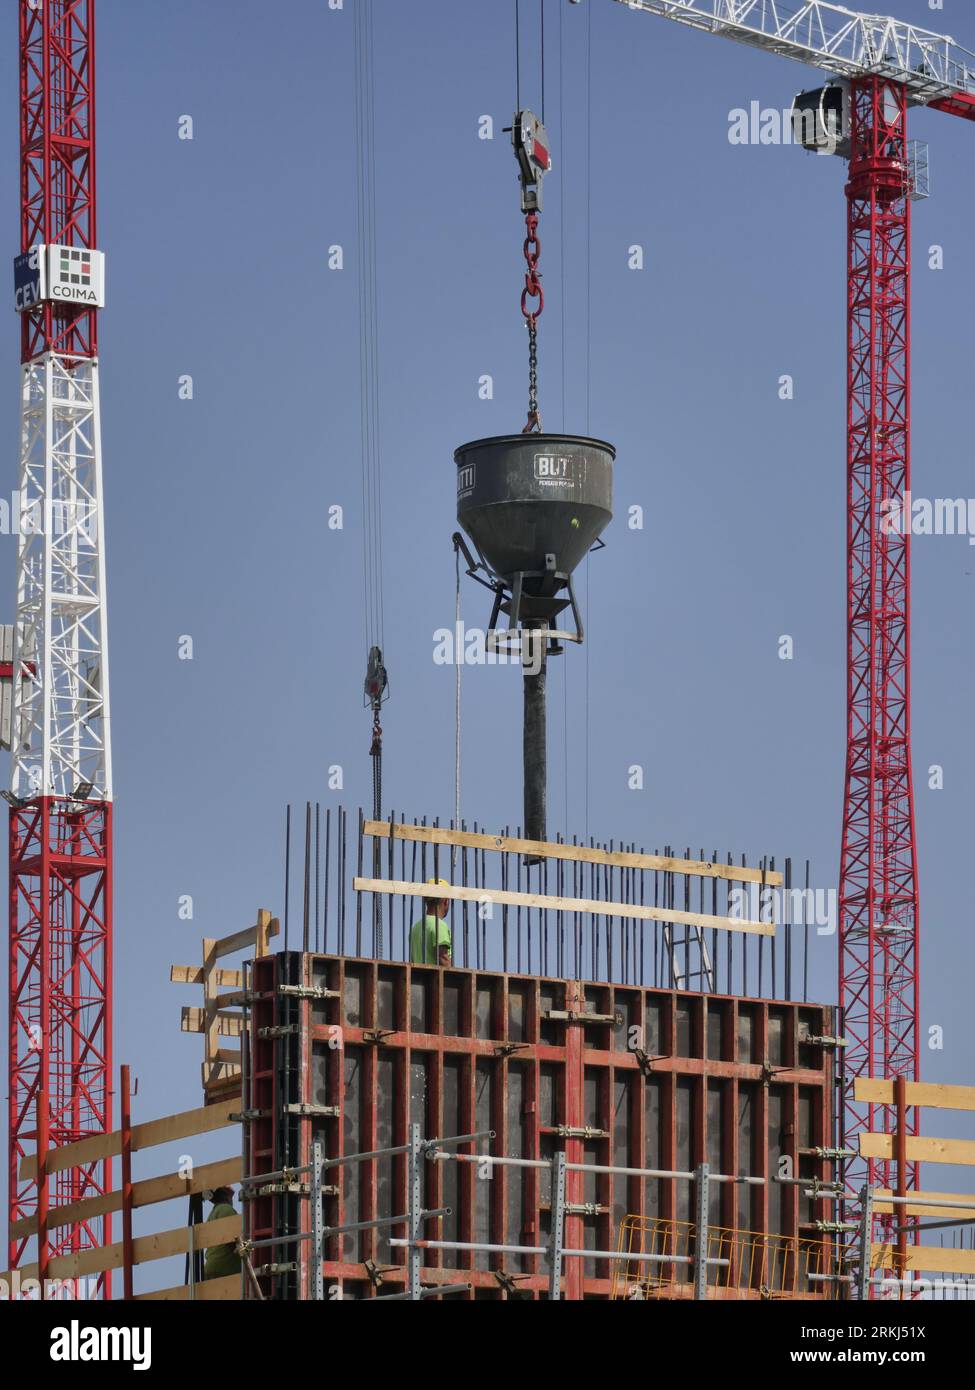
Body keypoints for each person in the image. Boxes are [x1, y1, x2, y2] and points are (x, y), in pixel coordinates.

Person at [410, 877, 452, 965]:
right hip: (435, 977)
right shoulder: (439, 925)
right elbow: (443, 958)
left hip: (418, 977)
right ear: (445, 901)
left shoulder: (416, 927)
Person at [203, 1185, 241, 1280]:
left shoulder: (214, 1213)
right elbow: (233, 1242)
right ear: (223, 1191)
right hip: (223, 1270)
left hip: (214, 1269)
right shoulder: (225, 1209)